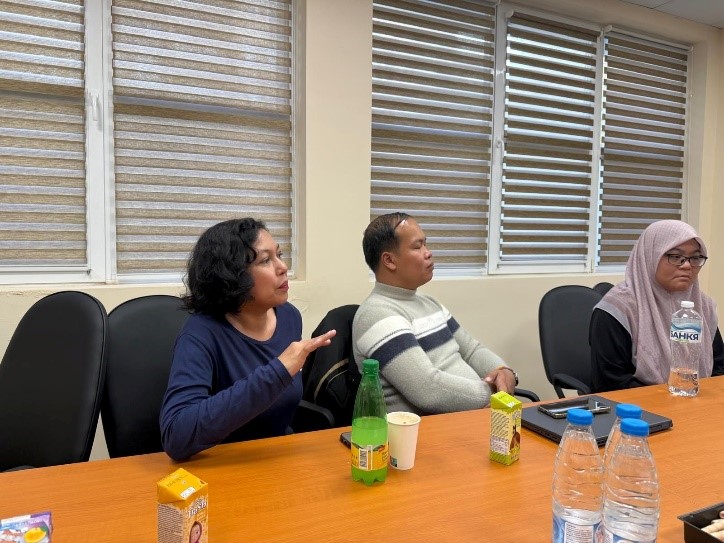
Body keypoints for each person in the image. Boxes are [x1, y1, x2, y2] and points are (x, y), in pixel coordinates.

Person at [160, 218, 335, 460]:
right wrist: (278, 371)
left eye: (279, 255)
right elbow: (176, 435)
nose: (283, 267)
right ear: (231, 276)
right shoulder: (201, 333)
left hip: (276, 458)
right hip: (223, 465)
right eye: (265, 260)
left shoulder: (289, 317)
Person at [352, 212, 517, 415]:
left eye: (425, 244)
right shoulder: (377, 314)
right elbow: (428, 390)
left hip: (475, 414)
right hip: (431, 428)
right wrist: (495, 392)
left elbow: (471, 350)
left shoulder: (428, 302)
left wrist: (503, 371)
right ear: (389, 260)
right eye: (417, 247)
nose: (428, 253)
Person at [590, 219, 724, 392]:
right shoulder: (617, 309)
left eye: (695, 258)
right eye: (675, 257)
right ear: (650, 256)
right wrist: (670, 397)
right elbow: (610, 381)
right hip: (638, 405)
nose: (687, 265)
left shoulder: (702, 306)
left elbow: (720, 367)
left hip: (695, 400)